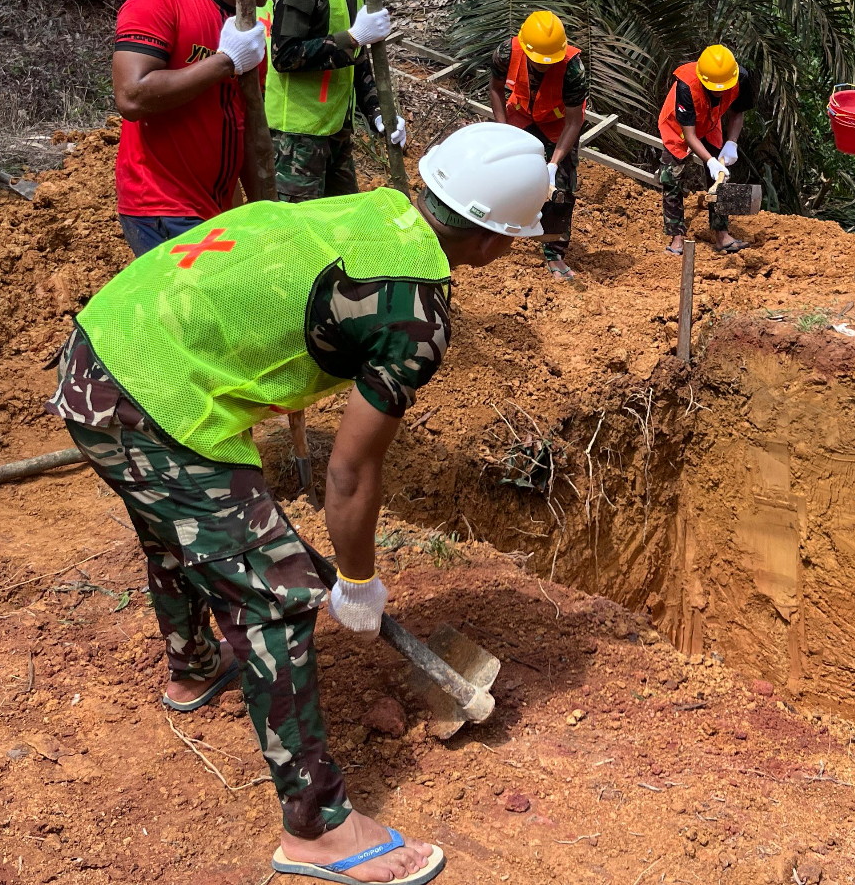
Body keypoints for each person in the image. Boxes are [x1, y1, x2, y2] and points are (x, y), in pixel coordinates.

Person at [44, 121, 549, 885]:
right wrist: (355, 579)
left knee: (180, 524)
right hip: (153, 401)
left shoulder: (369, 208)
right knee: (276, 595)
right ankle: (317, 830)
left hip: (102, 347)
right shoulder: (416, 315)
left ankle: (193, 668)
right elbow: (349, 474)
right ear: (496, 239)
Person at [112, 0, 298, 257]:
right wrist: (225, 62)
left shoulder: (247, 33)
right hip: (161, 204)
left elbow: (245, 133)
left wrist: (263, 218)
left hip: (212, 210)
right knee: (192, 310)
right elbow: (132, 97)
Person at [267, 0, 404, 203]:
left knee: (339, 225)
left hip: (334, 135)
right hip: (296, 141)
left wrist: (378, 114)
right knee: (296, 234)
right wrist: (353, 36)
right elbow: (285, 55)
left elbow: (356, 62)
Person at [489, 10, 589, 279]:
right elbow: (496, 89)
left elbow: (573, 121)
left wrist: (554, 164)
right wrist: (502, 129)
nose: (544, 65)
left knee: (562, 188)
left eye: (549, 61)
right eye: (538, 61)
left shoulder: (573, 69)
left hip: (557, 125)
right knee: (500, 173)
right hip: (519, 116)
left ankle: (554, 251)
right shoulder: (506, 53)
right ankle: (492, 231)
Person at [656, 45, 755, 254]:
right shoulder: (686, 86)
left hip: (711, 121)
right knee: (671, 177)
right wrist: (709, 160)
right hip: (679, 127)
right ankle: (676, 238)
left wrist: (732, 142)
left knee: (721, 176)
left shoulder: (741, 78)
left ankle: (722, 234)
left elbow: (738, 112)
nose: (719, 91)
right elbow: (690, 135)